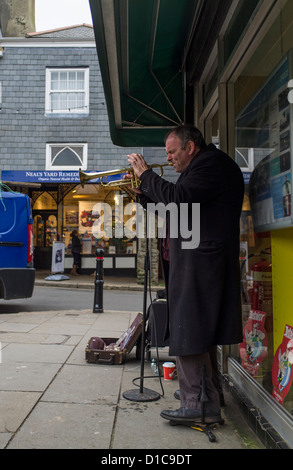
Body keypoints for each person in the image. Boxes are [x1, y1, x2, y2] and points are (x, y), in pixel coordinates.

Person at [127, 125, 244, 425]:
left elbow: (178, 199)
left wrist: (146, 175)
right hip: (199, 260)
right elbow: (177, 210)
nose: (167, 159)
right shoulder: (203, 166)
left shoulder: (210, 164)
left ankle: (199, 404)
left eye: (171, 152)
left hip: (202, 262)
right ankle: (206, 395)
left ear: (190, 147)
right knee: (197, 329)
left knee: (189, 328)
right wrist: (144, 195)